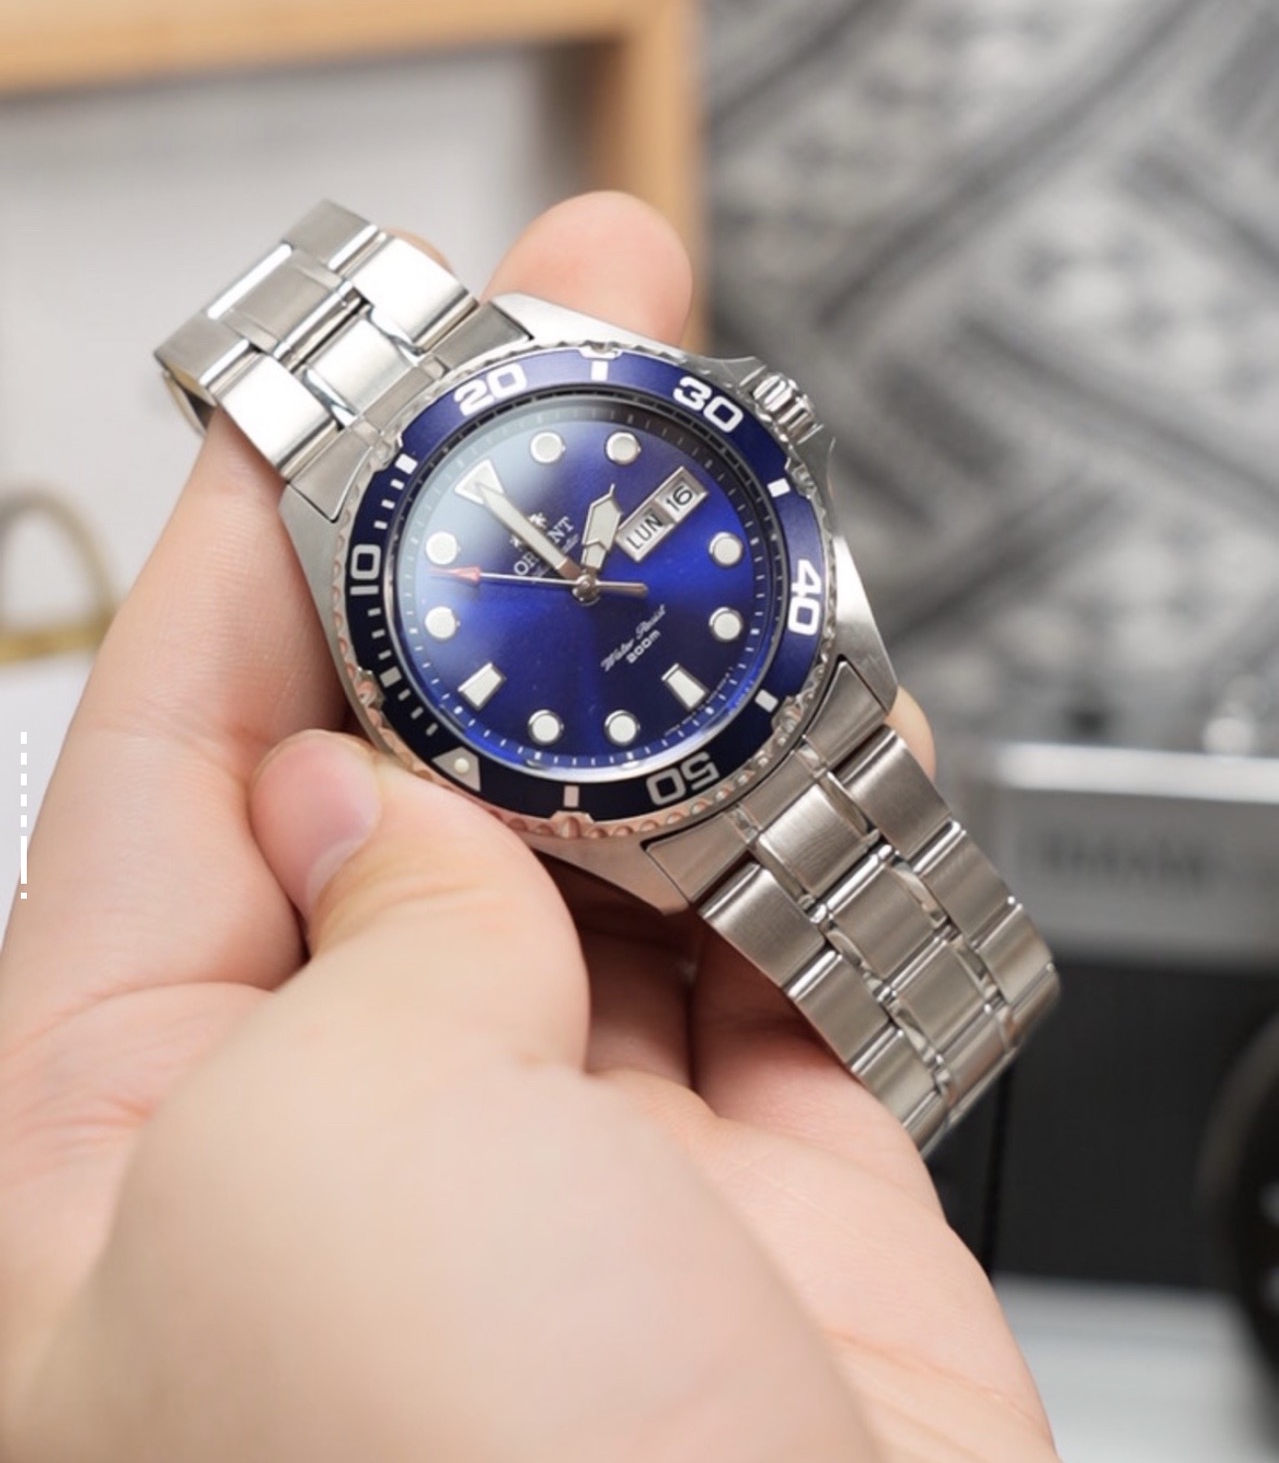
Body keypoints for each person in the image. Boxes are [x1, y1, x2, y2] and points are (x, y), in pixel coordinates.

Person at [0, 192, 1060, 1462]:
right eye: (562, 579)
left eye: (591, 566)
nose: (584, 583)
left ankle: (958, 1027)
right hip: (641, 796)